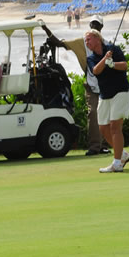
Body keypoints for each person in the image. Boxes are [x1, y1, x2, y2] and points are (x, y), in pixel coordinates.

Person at [42, 15, 110, 156]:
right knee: (93, 114)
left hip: (106, 85)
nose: (94, 27)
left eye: (97, 25)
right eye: (92, 24)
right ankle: (94, 146)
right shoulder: (81, 42)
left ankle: (104, 146)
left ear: (101, 28)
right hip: (91, 86)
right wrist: (45, 28)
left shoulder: (108, 45)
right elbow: (59, 43)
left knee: (106, 115)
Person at [85, 29, 129, 173]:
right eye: (86, 40)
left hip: (121, 92)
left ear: (97, 38)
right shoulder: (91, 58)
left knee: (114, 127)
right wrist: (105, 60)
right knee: (103, 128)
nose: (86, 42)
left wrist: (112, 64)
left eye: (88, 39)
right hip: (105, 95)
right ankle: (122, 154)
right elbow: (96, 70)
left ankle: (117, 163)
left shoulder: (114, 49)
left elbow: (124, 66)